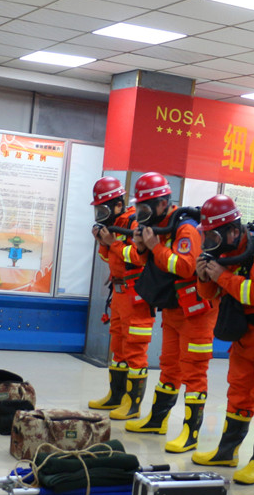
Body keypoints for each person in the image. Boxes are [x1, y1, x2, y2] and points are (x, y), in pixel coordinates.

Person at [192, 194, 254, 483]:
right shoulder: (225, 252)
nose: (210, 242)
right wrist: (204, 277)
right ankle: (227, 452)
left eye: (214, 236)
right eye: (206, 236)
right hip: (243, 337)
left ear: (233, 231)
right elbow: (210, 295)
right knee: (238, 393)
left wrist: (221, 275)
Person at [121, 172, 217, 452]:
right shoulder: (158, 228)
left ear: (163, 204)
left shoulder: (186, 229)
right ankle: (157, 420)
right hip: (174, 308)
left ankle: (190, 433)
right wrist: (142, 247)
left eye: (146, 208)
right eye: (139, 207)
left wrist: (154, 246)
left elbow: (185, 267)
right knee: (169, 365)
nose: (141, 214)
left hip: (197, 312)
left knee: (194, 371)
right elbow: (150, 263)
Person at [88, 176, 154, 422]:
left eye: (103, 210)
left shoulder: (134, 222)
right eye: (98, 211)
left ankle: (132, 404)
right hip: (118, 293)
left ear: (118, 204)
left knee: (134, 348)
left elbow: (138, 257)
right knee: (118, 347)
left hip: (136, 294)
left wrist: (112, 242)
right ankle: (116, 395)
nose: (100, 215)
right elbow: (109, 259)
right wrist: (103, 243)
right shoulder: (115, 224)